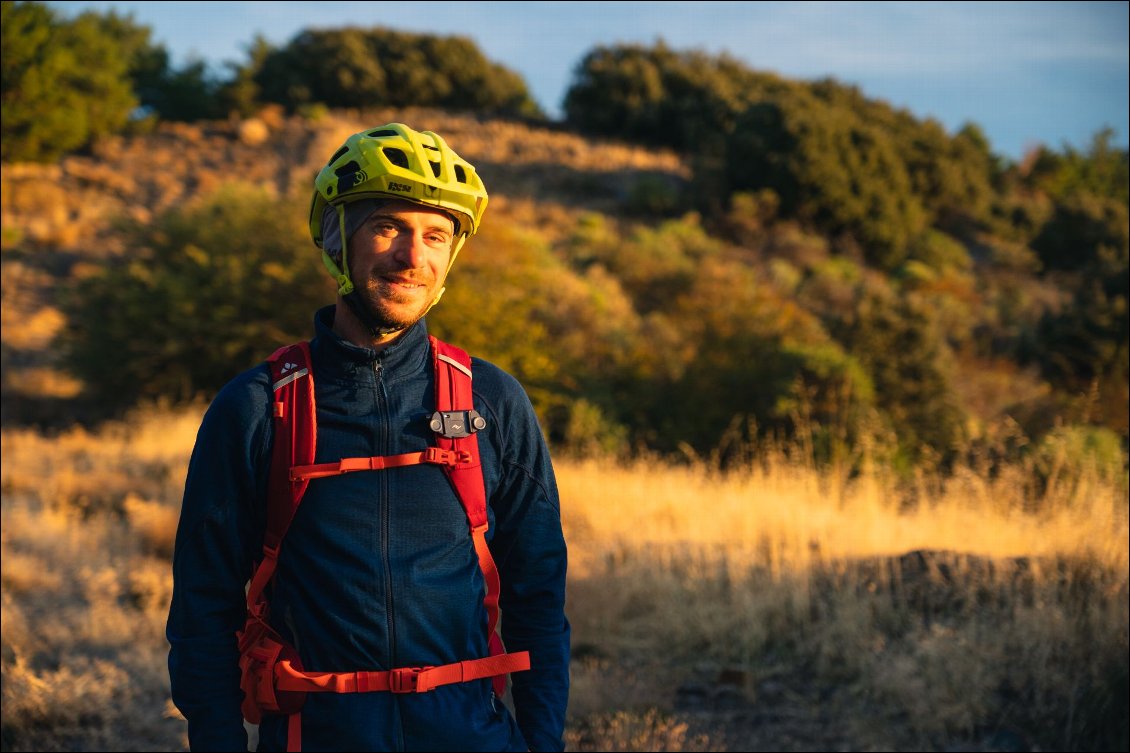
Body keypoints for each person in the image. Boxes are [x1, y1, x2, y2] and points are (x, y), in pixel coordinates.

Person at [167, 123, 570, 752]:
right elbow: (202, 611)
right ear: (335, 239)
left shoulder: (492, 400)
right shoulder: (255, 406)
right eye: (389, 228)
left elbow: (538, 596)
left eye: (436, 236)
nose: (414, 257)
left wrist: (541, 742)